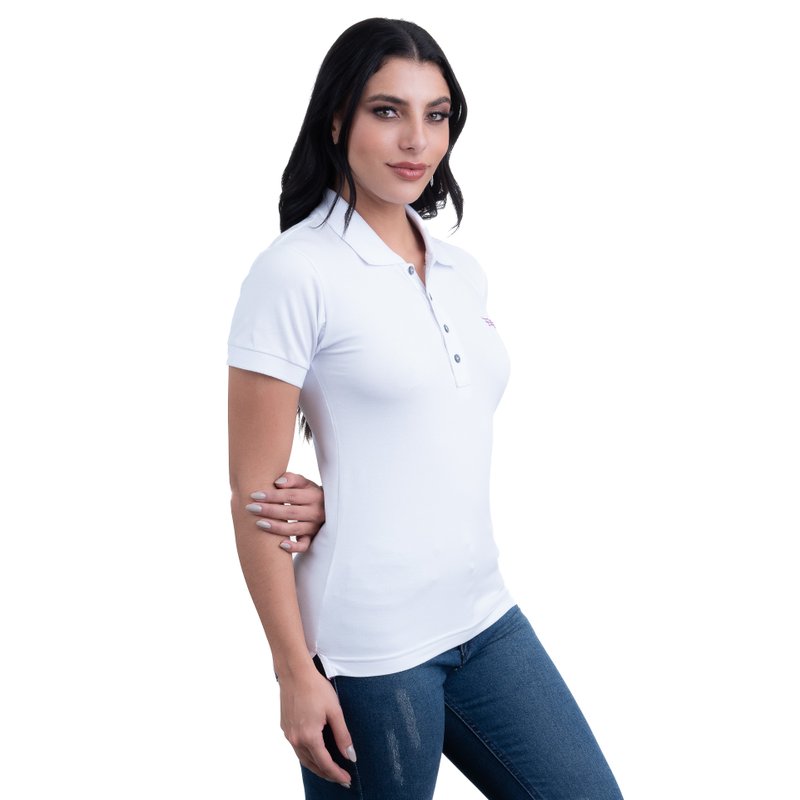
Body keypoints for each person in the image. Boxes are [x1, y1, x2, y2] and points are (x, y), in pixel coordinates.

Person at [227, 17, 624, 800]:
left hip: (484, 615)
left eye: (435, 115)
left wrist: (346, 498)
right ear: (336, 120)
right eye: (387, 111)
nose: (417, 139)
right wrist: (294, 673)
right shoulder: (295, 271)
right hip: (370, 647)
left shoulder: (460, 270)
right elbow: (254, 494)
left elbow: (424, 439)